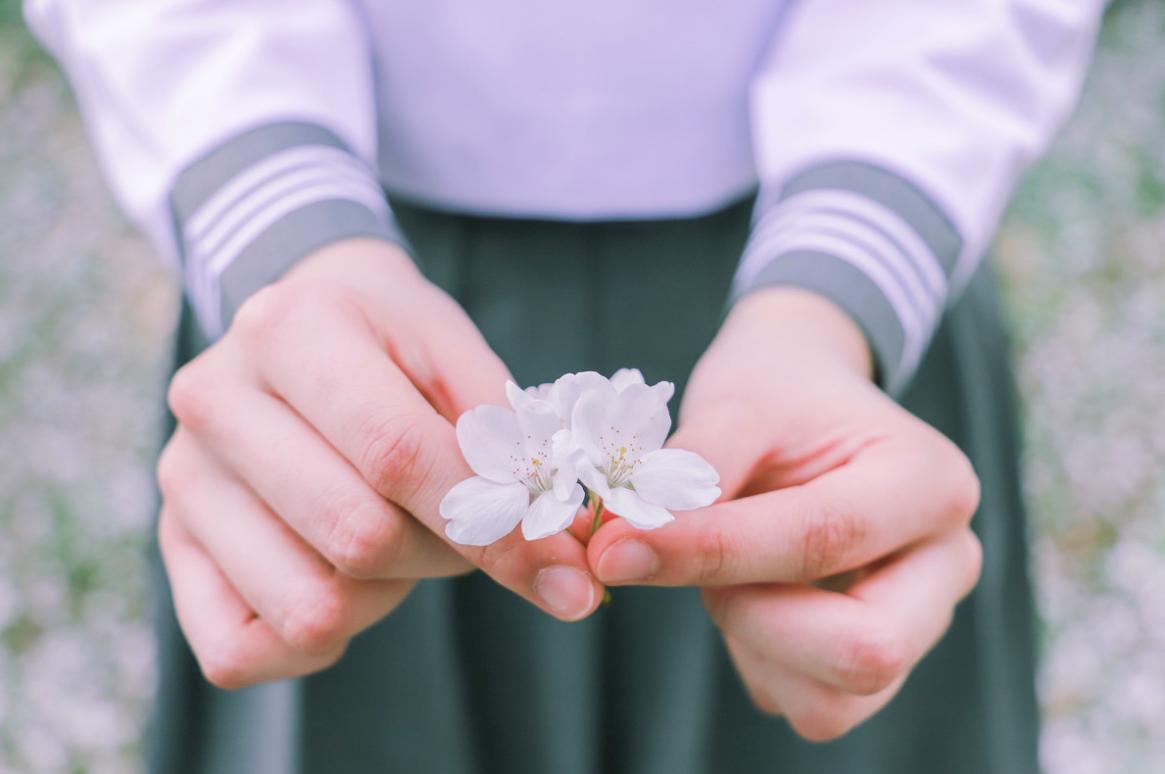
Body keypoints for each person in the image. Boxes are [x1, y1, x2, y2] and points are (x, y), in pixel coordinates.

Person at [26, 1, 1105, 772]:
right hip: (343, 310)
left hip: (819, 315)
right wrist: (283, 233)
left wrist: (842, 283)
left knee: (828, 665)